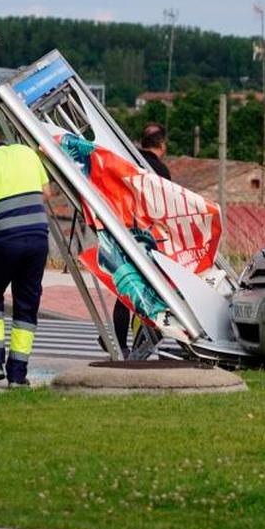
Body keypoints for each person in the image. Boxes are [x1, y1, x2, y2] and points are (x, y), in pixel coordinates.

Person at [0, 125, 50, 387]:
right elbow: (46, 194)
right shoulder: (27, 153)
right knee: (26, 303)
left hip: (6, 242)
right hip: (38, 239)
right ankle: (17, 375)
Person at [111, 122, 174, 355]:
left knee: (124, 290)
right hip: (149, 238)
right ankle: (140, 345)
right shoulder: (160, 171)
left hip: (124, 233)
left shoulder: (129, 164)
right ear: (162, 145)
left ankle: (120, 343)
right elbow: (166, 207)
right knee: (148, 291)